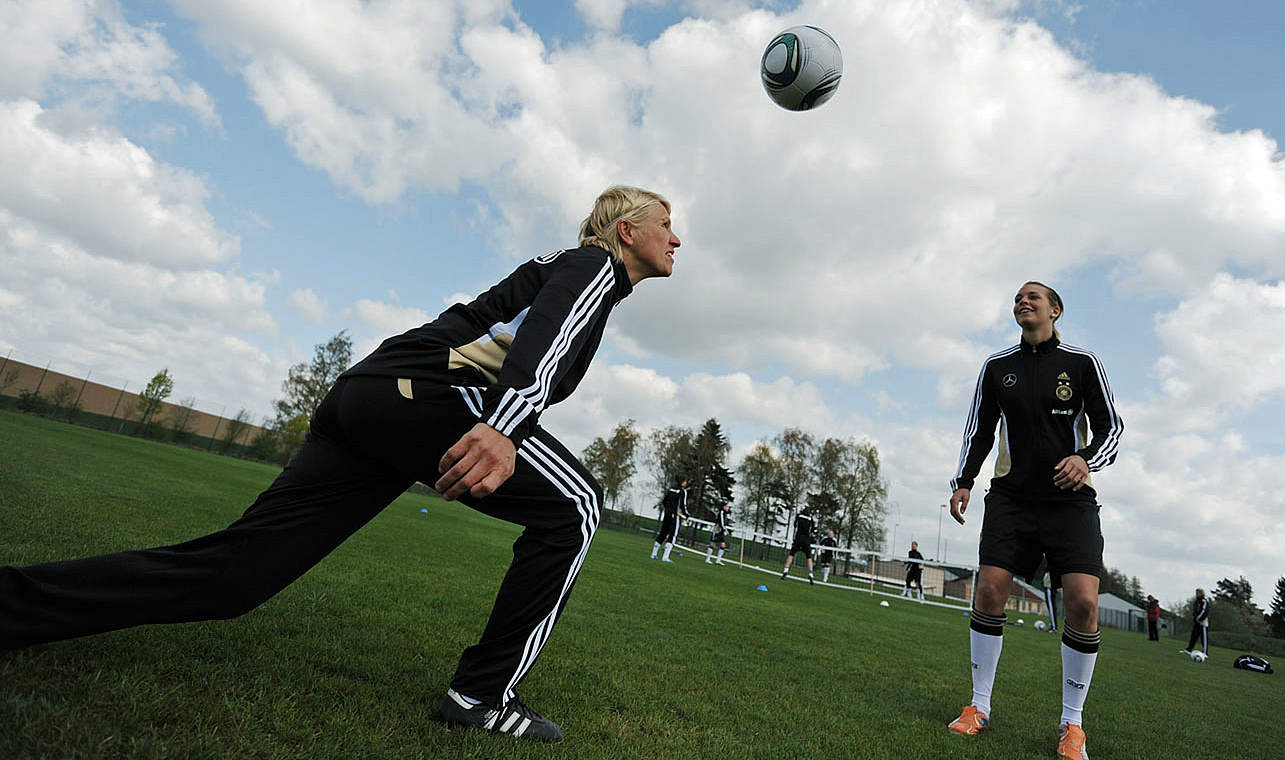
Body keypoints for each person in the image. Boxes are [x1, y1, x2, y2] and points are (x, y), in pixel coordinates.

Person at [0, 185, 682, 744]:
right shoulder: (593, 265)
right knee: (578, 506)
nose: (676, 238)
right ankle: (480, 696)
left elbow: (511, 331)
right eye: (666, 222)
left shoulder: (573, 271)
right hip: (423, 396)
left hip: (376, 396)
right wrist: (501, 430)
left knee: (234, 578)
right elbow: (542, 340)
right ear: (626, 231)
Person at [944, 281, 1123, 760]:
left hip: (1070, 502)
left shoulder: (1083, 365)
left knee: (1084, 604)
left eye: (1033, 298)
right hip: (1011, 498)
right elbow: (979, 430)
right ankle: (979, 706)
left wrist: (1085, 459)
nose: (1023, 303)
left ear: (1055, 310)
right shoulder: (997, 368)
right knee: (988, 589)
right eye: (1017, 300)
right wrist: (964, 480)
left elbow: (1112, 429)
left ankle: (1072, 724)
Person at [651, 477, 689, 562]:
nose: (686, 483)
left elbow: (664, 500)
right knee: (673, 535)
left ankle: (654, 554)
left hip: (667, 514)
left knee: (663, 533)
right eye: (685, 481)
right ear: (683, 482)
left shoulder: (671, 489)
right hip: (675, 515)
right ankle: (665, 557)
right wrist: (687, 515)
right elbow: (683, 505)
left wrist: (668, 509)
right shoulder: (682, 491)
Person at [780, 506, 817, 585]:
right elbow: (813, 530)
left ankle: (785, 570)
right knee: (809, 557)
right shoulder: (811, 519)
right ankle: (811, 573)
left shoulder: (799, 517)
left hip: (798, 538)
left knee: (791, 554)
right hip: (806, 540)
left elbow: (795, 525)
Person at [1183, 588, 1210, 657]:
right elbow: (1194, 611)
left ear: (1202, 593)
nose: (1197, 594)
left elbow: (1204, 611)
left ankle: (1205, 652)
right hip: (1196, 622)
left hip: (1203, 622)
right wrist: (1195, 618)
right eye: (1196, 593)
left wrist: (1199, 618)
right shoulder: (1196, 602)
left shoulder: (1204, 601)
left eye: (1198, 593)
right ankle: (1189, 649)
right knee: (1194, 636)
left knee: (1203, 638)